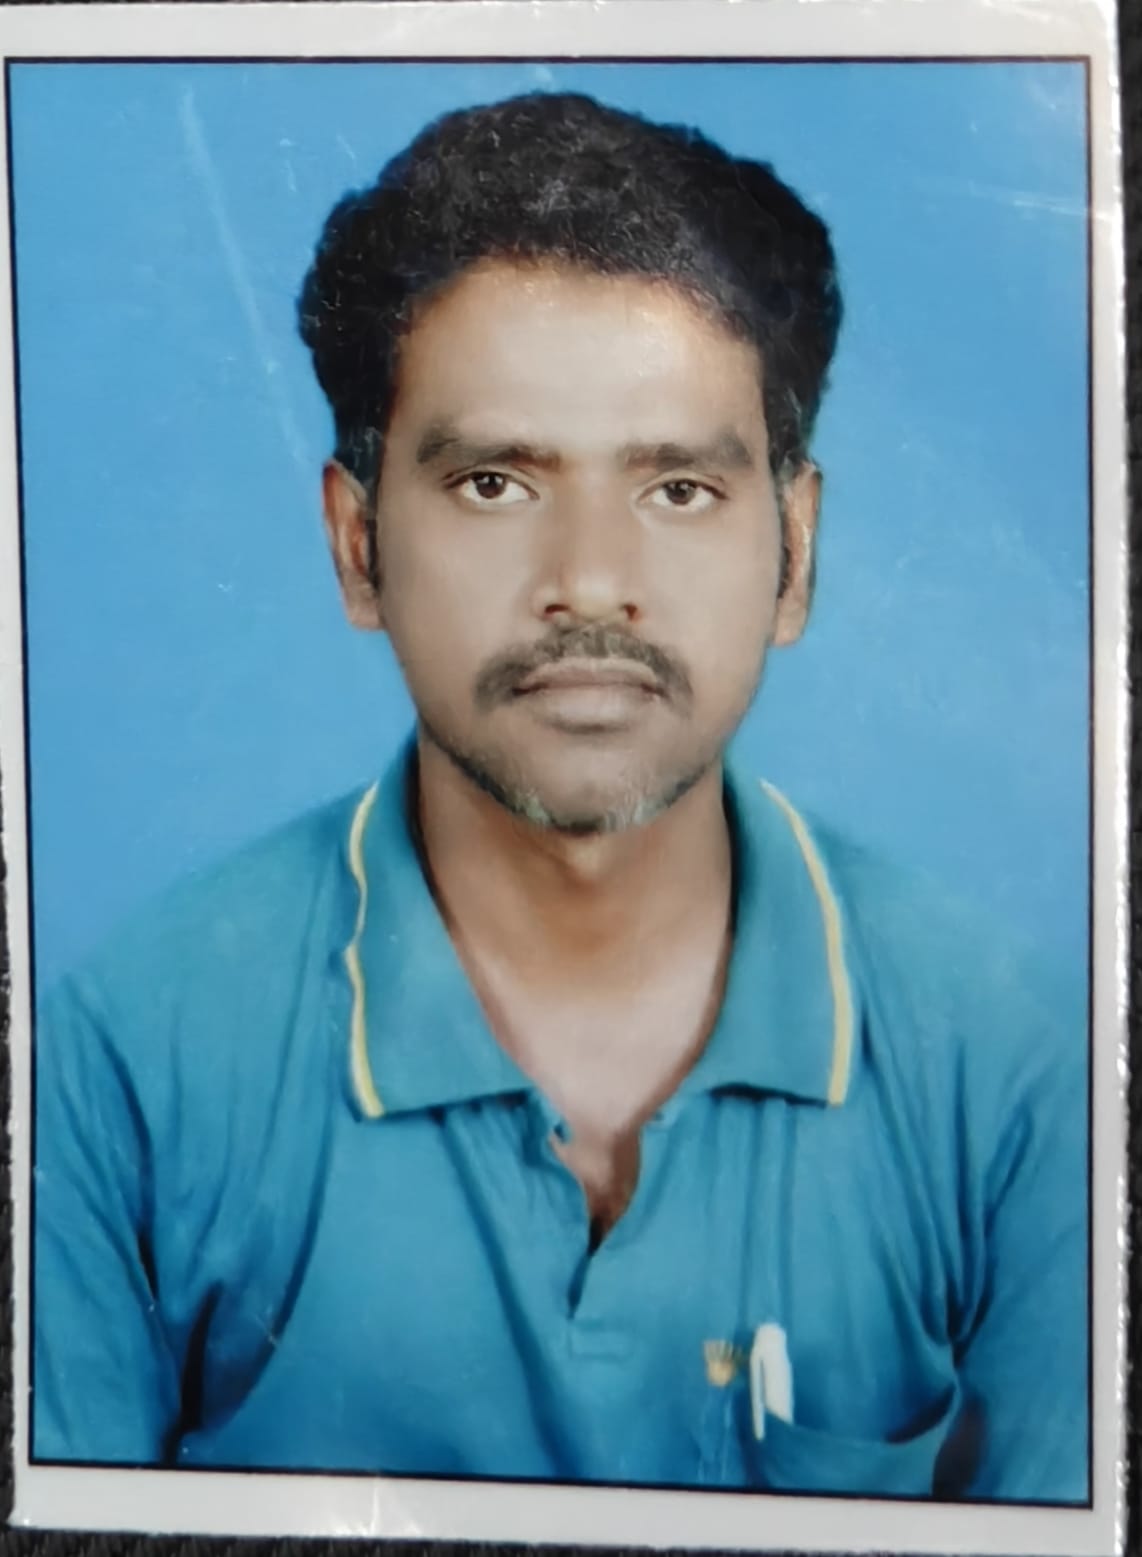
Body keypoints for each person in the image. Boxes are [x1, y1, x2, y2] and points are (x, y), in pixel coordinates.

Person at [33, 91, 1087, 1500]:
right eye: (492, 482)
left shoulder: (1023, 1082)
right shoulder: (118, 1068)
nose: (589, 582)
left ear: (795, 551)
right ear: (357, 545)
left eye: (678, 490)